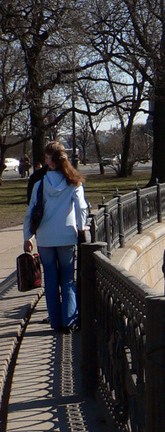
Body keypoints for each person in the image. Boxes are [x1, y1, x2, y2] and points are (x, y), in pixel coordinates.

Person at [23, 142, 88, 332]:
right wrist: (81, 228)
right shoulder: (74, 182)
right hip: (67, 236)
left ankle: (55, 321)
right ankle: (70, 321)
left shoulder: (40, 184)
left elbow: (30, 212)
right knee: (68, 279)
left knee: (50, 279)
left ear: (50, 161)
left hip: (45, 237)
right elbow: (81, 208)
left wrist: (28, 237)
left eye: (46, 157)